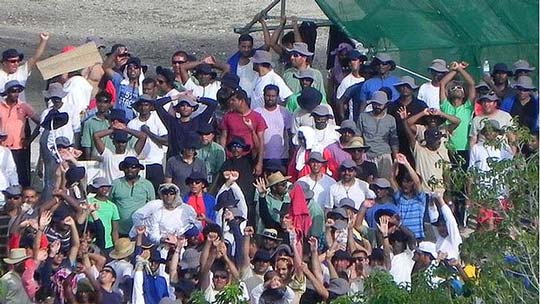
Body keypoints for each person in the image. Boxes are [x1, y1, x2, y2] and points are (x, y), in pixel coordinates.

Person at [130, 183, 202, 244]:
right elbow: (137, 216)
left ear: (176, 194)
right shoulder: (156, 207)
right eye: (165, 193)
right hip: (148, 242)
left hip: (179, 244)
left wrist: (185, 234)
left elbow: (198, 224)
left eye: (171, 193)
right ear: (161, 195)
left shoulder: (186, 209)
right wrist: (141, 231)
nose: (168, 196)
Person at [0, 80, 40, 187]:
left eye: (18, 91)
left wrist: (30, 140)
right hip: (3, 147)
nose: (16, 94)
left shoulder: (24, 106)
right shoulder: (0, 106)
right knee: (4, 174)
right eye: (13, 91)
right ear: (7, 92)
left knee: (22, 176)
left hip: (19, 148)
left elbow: (41, 122)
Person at [154, 92, 216, 159]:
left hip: (192, 161)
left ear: (192, 108)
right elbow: (157, 104)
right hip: (174, 160)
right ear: (178, 109)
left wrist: (196, 98)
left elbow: (213, 104)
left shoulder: (199, 121)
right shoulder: (172, 122)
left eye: (188, 105)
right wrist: (175, 97)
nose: (185, 108)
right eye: (182, 105)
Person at [220, 89, 267, 176]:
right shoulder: (228, 116)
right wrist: (222, 156)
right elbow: (224, 137)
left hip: (249, 158)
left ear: (241, 101)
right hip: (231, 157)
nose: (231, 102)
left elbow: (261, 142)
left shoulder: (257, 117)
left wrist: (260, 163)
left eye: (233, 100)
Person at [127, 94, 169, 192]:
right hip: (138, 164)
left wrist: (148, 132)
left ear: (150, 107)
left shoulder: (157, 120)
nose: (143, 108)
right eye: (141, 105)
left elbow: (166, 141)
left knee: (157, 192)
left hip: (155, 162)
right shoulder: (132, 123)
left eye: (146, 105)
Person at [357, 91, 399, 180]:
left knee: (385, 184)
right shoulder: (363, 117)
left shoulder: (391, 119)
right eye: (374, 104)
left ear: (386, 104)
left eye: (380, 104)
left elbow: (394, 142)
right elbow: (358, 137)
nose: (377, 107)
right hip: (367, 156)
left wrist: (396, 161)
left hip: (384, 156)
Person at [439, 61, 476, 163]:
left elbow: (471, 84)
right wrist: (455, 70)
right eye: (453, 88)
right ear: (449, 93)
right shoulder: (445, 106)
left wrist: (459, 69)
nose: (456, 89)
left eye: (459, 88)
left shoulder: (468, 107)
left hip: (465, 148)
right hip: (448, 148)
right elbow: (442, 84)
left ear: (464, 94)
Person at [386, 76, 428, 164]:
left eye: (408, 86)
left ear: (412, 89)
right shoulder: (392, 106)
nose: (405, 88)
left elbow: (426, 124)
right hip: (398, 143)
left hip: (416, 144)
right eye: (402, 86)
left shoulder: (421, 105)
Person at [110, 156, 155, 236]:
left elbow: (152, 208)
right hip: (119, 231)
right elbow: (110, 204)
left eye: (133, 167)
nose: (129, 170)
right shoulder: (115, 184)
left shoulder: (147, 185)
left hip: (140, 231)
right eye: (126, 167)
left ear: (138, 169)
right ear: (123, 169)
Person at [0, 32, 49, 102]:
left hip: (20, 111)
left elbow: (35, 57)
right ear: (4, 62)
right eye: (13, 61)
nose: (16, 63)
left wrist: (43, 41)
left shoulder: (21, 72)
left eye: (18, 60)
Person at [254, 84, 293, 165]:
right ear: (263, 95)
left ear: (277, 96)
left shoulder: (284, 112)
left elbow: (290, 134)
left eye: (273, 96)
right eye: (268, 96)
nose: (270, 98)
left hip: (282, 157)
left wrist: (291, 154)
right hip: (262, 157)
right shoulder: (257, 112)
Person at [103, 52, 145, 121]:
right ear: (126, 70)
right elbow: (105, 67)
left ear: (140, 70)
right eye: (130, 68)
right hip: (117, 119)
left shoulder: (143, 88)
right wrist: (116, 53)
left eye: (136, 68)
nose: (132, 70)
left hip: (133, 122)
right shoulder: (120, 81)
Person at [87, 177, 120, 252]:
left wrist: (116, 246)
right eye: (101, 186)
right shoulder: (89, 202)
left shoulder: (112, 206)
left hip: (108, 244)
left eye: (106, 186)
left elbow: (115, 230)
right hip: (92, 243)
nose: (104, 189)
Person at [81, 91, 114, 160]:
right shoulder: (89, 123)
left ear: (109, 104)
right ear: (96, 103)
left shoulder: (115, 120)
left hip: (113, 158)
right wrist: (88, 163)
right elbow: (87, 145)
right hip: (96, 160)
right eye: (99, 101)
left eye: (105, 102)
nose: (102, 104)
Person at [335, 50, 367, 120]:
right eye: (349, 61)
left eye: (354, 60)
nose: (351, 63)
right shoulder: (346, 82)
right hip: (354, 119)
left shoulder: (368, 78)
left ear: (360, 62)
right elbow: (339, 102)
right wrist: (344, 120)